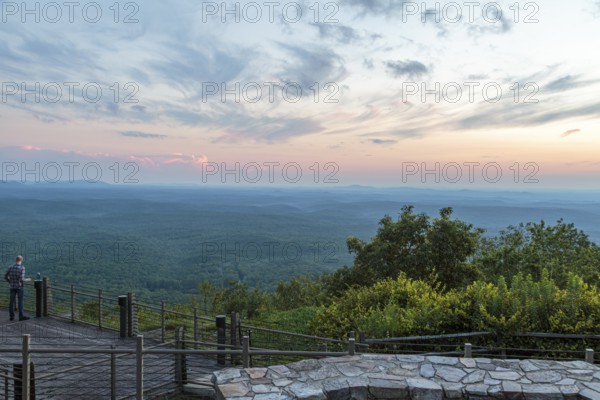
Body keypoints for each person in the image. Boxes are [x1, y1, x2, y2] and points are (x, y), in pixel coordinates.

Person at [4, 255, 30, 321]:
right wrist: (28, 279)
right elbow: (22, 279)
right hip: (19, 287)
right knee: (20, 302)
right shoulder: (22, 268)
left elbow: (5, 276)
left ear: (16, 260)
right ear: (21, 260)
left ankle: (11, 316)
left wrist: (10, 282)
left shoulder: (10, 267)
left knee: (11, 302)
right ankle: (21, 316)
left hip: (12, 287)